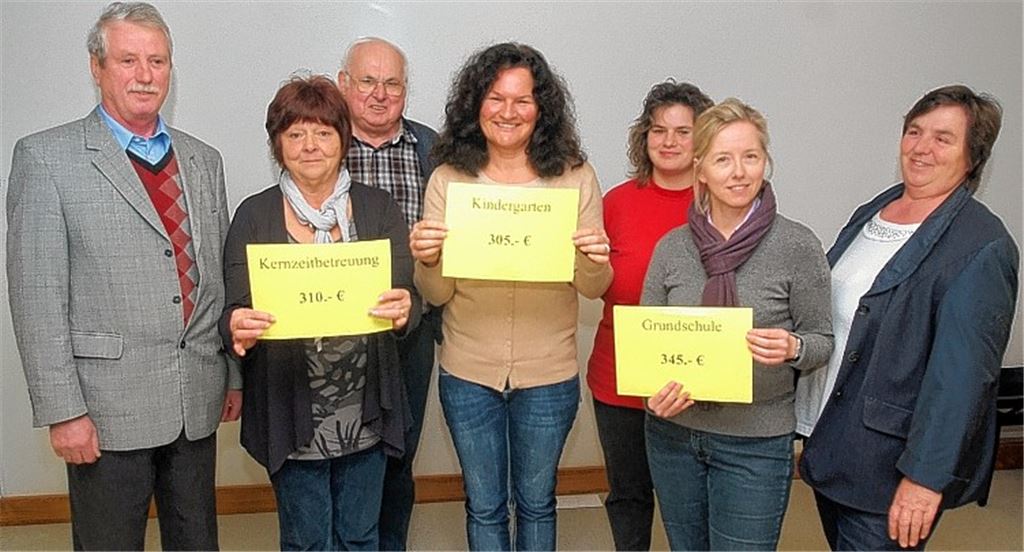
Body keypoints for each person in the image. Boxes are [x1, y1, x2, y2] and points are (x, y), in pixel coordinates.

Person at [5, 2, 240, 549]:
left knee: (198, 541)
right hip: (105, 410)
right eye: (128, 59)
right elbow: (37, 298)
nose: (145, 75)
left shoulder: (203, 160)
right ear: (97, 67)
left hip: (195, 402)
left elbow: (217, 280)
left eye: (157, 61)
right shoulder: (46, 159)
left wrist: (231, 375)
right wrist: (65, 411)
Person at [796, 85, 1019, 551]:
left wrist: (925, 479)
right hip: (835, 446)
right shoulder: (874, 211)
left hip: (891, 468)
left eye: (943, 138)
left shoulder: (981, 245)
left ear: (972, 156)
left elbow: (962, 380)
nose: (921, 147)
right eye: (914, 131)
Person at [408, 42, 613, 550]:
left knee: (539, 502)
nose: (508, 112)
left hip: (549, 372)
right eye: (496, 98)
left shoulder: (575, 176)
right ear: (475, 104)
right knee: (483, 505)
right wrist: (428, 260)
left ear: (542, 109)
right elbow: (433, 293)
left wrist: (594, 257)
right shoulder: (449, 178)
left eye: (522, 100)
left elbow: (593, 288)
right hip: (467, 370)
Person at [220, 75, 415, 551]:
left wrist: (406, 307)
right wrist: (236, 329)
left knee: (360, 536)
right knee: (306, 541)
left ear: (343, 139)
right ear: (277, 144)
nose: (310, 146)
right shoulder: (254, 215)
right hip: (291, 412)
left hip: (366, 410)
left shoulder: (377, 208)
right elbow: (233, 310)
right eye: (295, 134)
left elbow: (408, 294)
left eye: (323, 132)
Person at [641, 98, 833, 550]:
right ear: (700, 168)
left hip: (757, 443)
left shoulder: (797, 245)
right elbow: (648, 349)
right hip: (674, 437)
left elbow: (821, 340)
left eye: (751, 157)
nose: (739, 172)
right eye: (723, 159)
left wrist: (793, 348)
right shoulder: (671, 248)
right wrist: (654, 395)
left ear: (766, 163)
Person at [586, 79, 713, 551]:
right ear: (644, 137)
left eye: (683, 131)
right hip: (619, 379)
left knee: (691, 500)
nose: (669, 141)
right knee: (629, 496)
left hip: (698, 380)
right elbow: (594, 277)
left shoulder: (721, 202)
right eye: (658, 130)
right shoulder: (615, 202)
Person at [336, 37, 439, 551]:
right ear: (343, 86)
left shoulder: (433, 148)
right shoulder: (320, 143)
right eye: (367, 81)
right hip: (334, 334)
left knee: (398, 454)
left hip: (409, 330)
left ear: (405, 91)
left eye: (392, 83)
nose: (380, 94)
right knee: (337, 454)